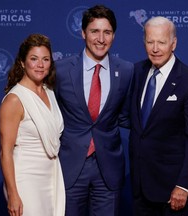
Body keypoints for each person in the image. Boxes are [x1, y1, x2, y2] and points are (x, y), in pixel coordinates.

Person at [54, 4, 134, 216]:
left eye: (107, 32)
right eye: (94, 31)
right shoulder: (60, 70)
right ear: (83, 33)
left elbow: (126, 115)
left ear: (114, 36)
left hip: (108, 169)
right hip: (69, 167)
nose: (101, 39)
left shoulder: (126, 70)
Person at [129, 16, 188, 216]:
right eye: (150, 41)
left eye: (161, 42)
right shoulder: (135, 72)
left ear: (174, 43)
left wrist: (183, 185)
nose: (155, 48)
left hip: (172, 190)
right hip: (139, 187)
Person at [0, 34, 65, 216]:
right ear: (22, 62)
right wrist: (13, 194)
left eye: (45, 59)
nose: (40, 65)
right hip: (25, 180)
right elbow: (5, 152)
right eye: (34, 59)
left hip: (51, 176)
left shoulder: (49, 92)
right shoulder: (14, 100)